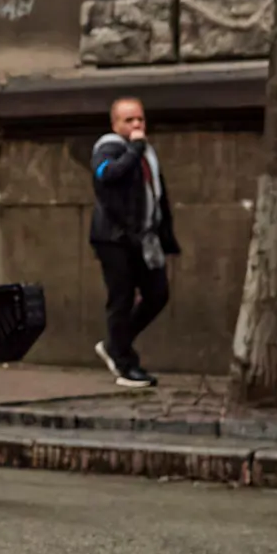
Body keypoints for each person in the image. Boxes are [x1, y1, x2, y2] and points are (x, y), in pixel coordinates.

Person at [87, 97, 176, 388]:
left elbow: (156, 195)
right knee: (121, 298)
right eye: (129, 120)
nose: (137, 125)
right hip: (115, 238)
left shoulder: (145, 153)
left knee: (157, 293)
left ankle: (115, 344)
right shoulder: (108, 147)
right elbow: (107, 174)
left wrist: (164, 235)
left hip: (143, 237)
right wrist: (135, 148)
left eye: (140, 119)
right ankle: (124, 365)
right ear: (115, 124)